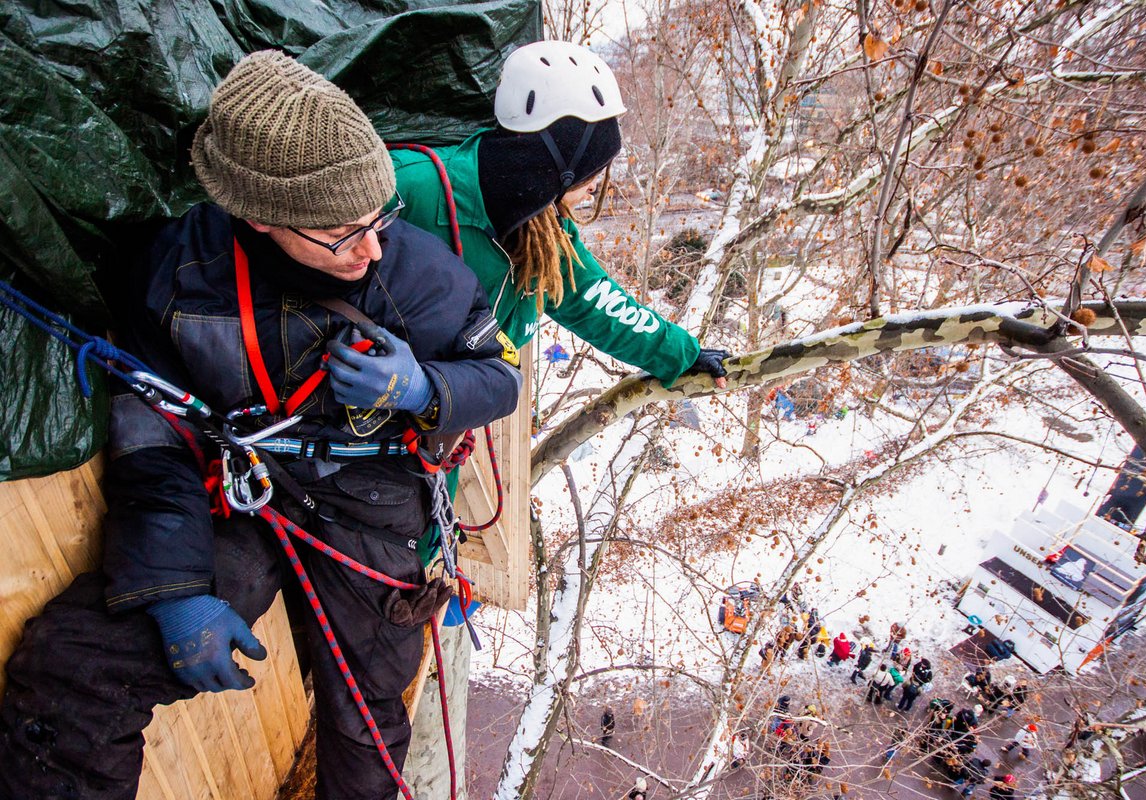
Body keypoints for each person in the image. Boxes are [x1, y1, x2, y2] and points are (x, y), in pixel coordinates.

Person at [0, 51, 521, 800]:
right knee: (76, 671)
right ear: (259, 217)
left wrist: (423, 386)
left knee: (367, 728)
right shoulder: (179, 276)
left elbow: (497, 377)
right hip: (244, 500)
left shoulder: (414, 272)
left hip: (369, 503)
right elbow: (151, 437)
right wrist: (172, 589)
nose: (371, 248)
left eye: (380, 218)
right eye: (342, 232)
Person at [391, 41, 729, 393]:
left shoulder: (544, 232)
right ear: (555, 165)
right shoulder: (415, 186)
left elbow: (597, 303)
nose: (596, 187)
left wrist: (682, 354)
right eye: (590, 173)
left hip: (446, 415)